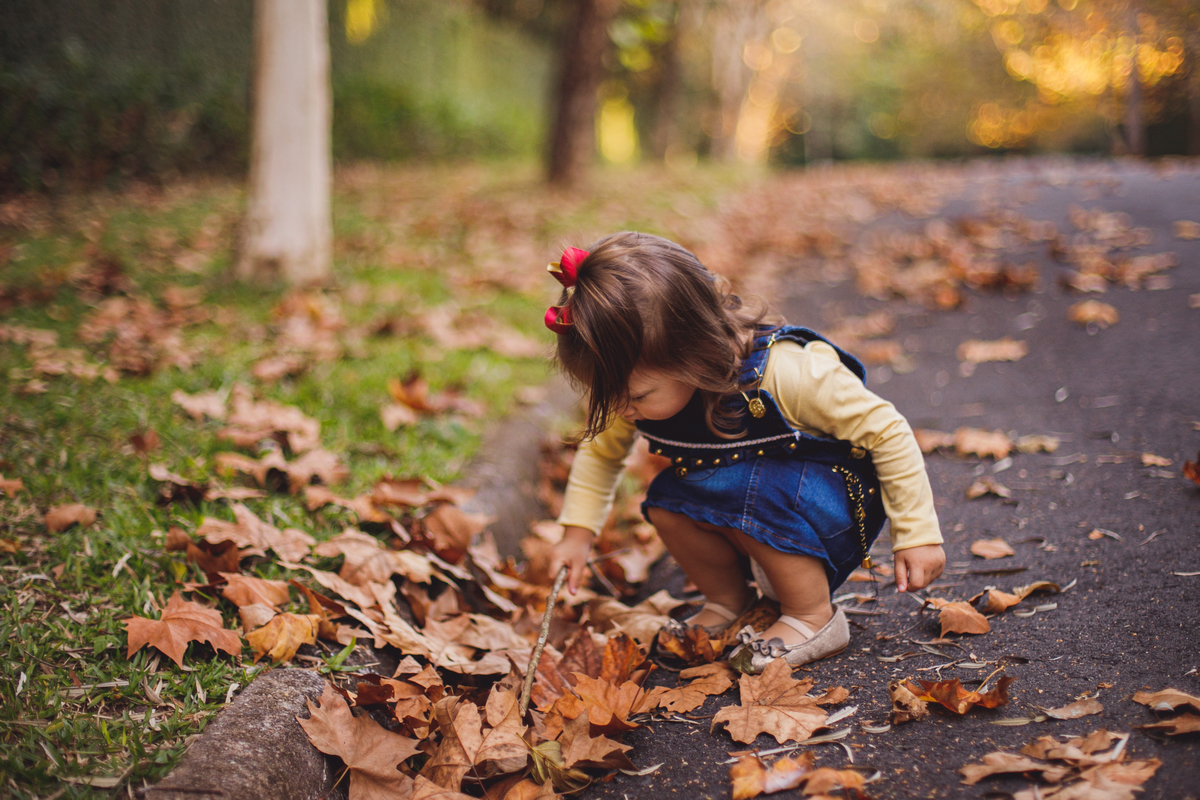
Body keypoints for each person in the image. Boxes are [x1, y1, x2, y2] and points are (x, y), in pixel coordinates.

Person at [544, 232, 945, 672]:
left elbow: (887, 431)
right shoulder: (634, 391)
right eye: (608, 395)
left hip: (832, 509)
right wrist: (577, 534)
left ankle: (812, 615)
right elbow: (601, 455)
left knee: (746, 490)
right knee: (667, 502)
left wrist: (917, 533)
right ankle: (728, 601)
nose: (622, 409)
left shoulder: (787, 373)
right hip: (757, 507)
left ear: (692, 352)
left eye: (638, 396)